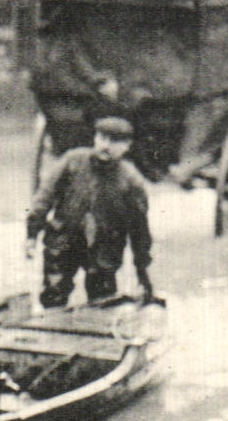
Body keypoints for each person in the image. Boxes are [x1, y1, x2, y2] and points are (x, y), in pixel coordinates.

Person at [26, 115, 154, 309]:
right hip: (64, 242)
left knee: (103, 301)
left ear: (127, 146)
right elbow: (44, 198)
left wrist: (142, 271)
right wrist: (31, 235)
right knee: (53, 295)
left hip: (105, 248)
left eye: (114, 141)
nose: (106, 146)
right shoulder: (72, 161)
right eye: (102, 138)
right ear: (95, 138)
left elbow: (139, 228)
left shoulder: (130, 179)